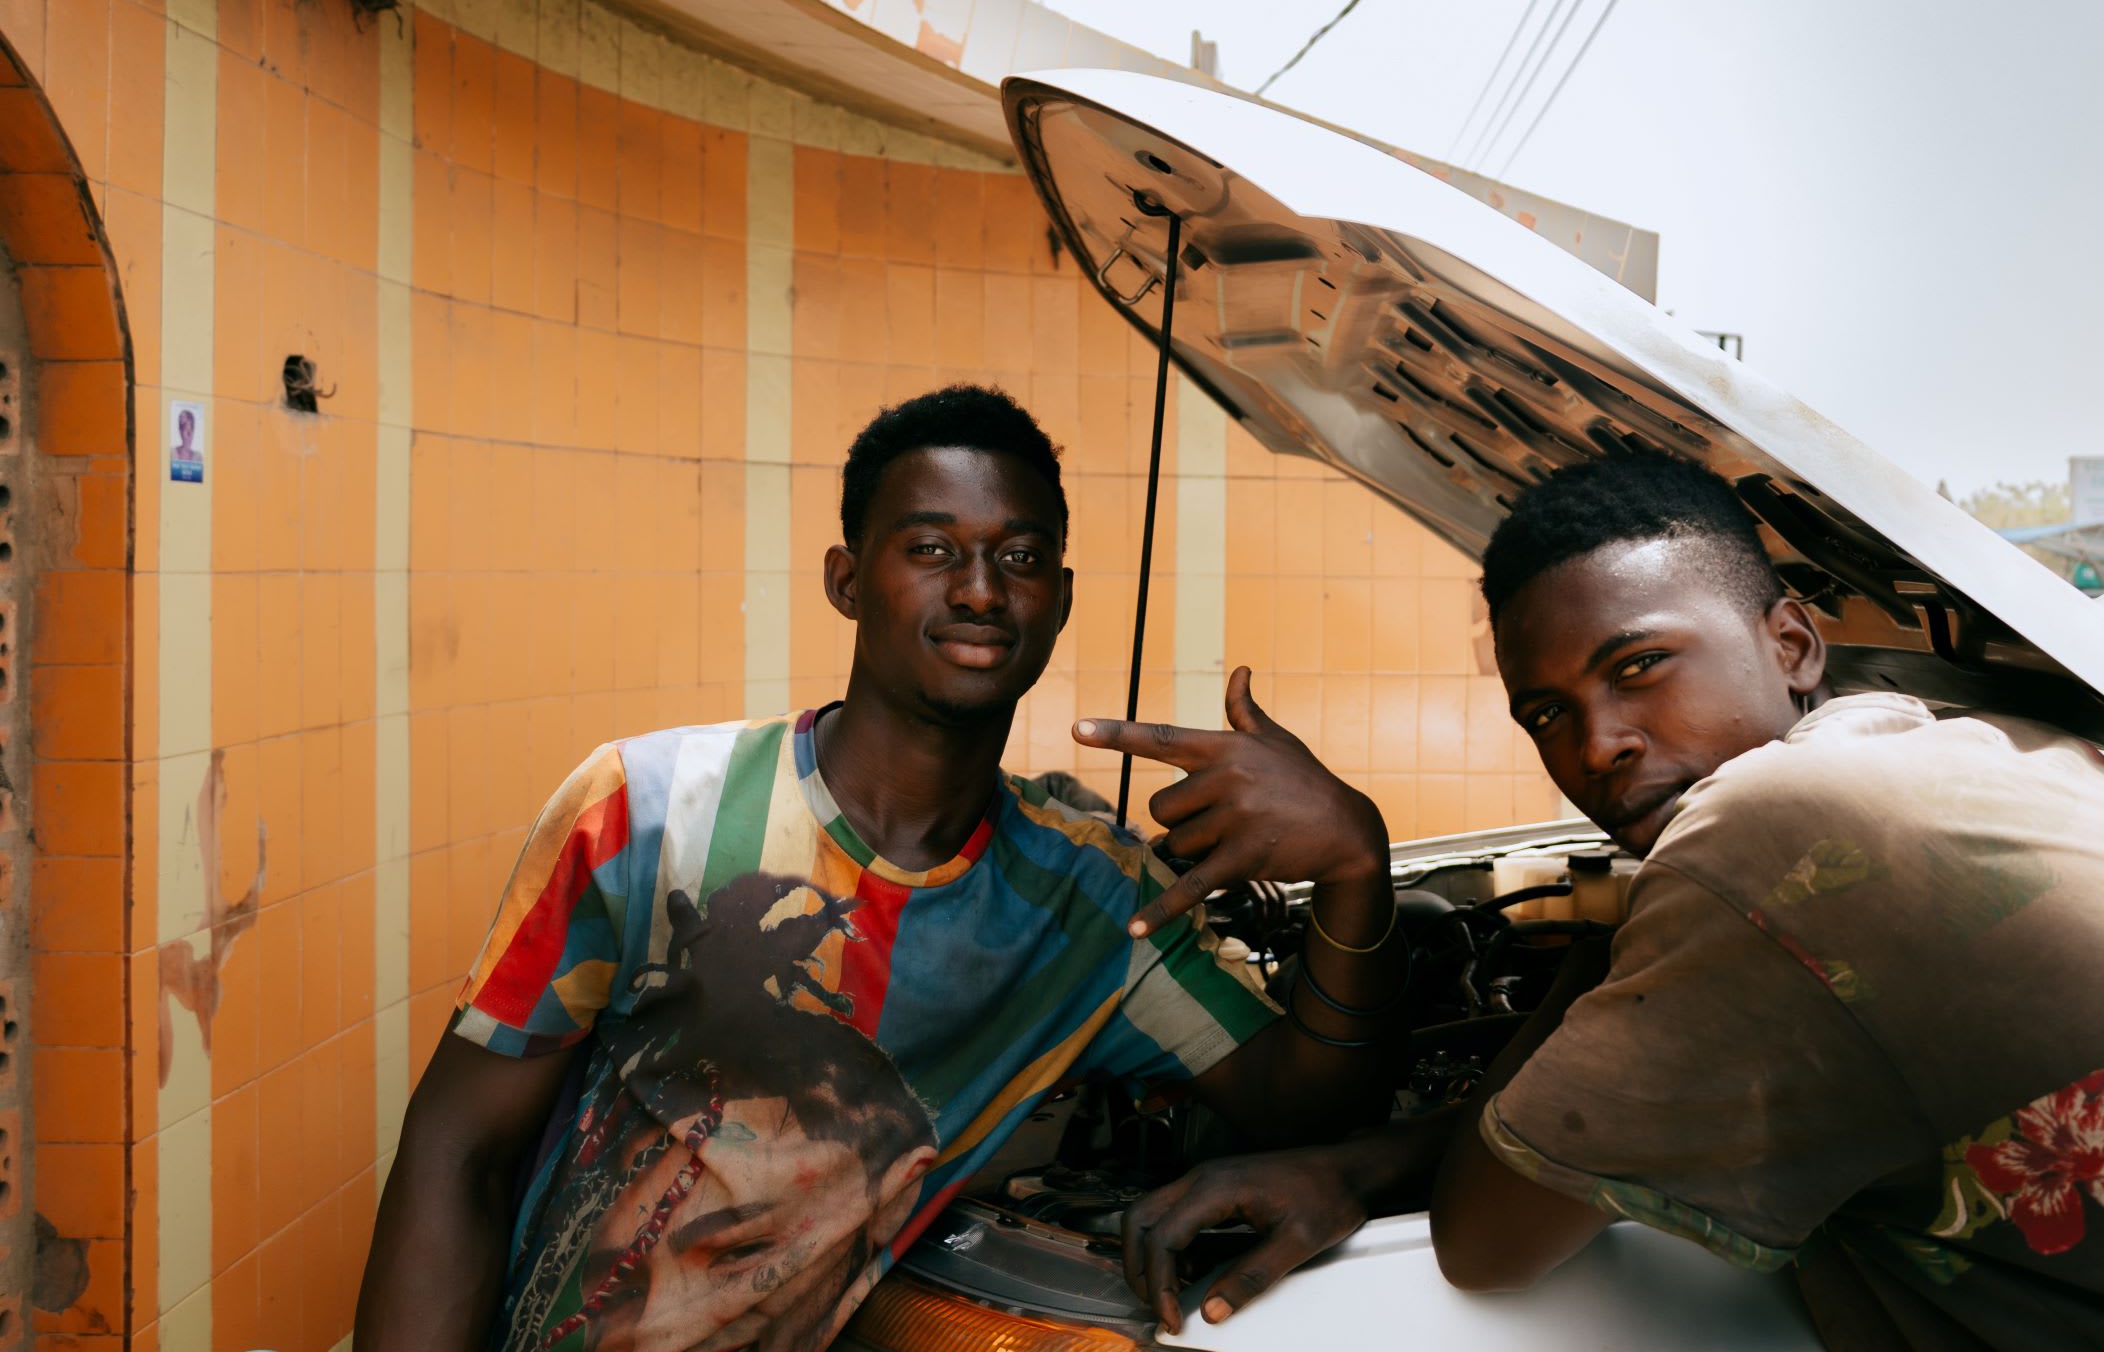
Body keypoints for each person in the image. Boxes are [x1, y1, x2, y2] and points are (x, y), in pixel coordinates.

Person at [1095, 453, 2104, 1349]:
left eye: (1641, 667)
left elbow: (1488, 1244)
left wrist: (1597, 934)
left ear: (1791, 645)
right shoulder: (1949, 743)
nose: (1597, 743)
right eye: (1547, 711)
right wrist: (1369, 1157)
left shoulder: (1766, 832)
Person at [356, 385, 1412, 1352]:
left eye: (1022, 556)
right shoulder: (642, 808)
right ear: (848, 579)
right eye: (932, 548)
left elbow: (1305, 1105)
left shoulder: (1088, 901)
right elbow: (459, 1154)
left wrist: (1356, 864)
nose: (984, 590)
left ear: (1062, 593)